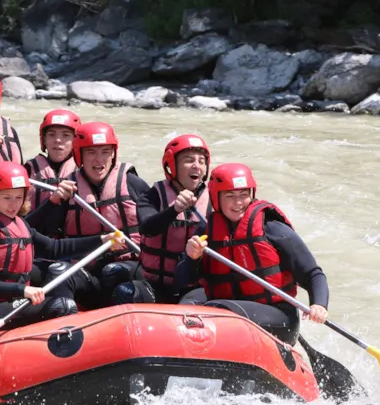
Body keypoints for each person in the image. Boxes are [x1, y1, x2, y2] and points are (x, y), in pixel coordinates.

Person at [0, 162, 123, 336]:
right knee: (61, 306)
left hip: (0, 303)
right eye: (7, 198)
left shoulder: (17, 223)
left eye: (18, 197)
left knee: (58, 273)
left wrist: (102, 240)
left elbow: (53, 248)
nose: (14, 204)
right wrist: (22, 290)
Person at [179, 163, 329, 345]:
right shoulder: (206, 231)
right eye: (230, 196)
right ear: (216, 198)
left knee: (217, 309)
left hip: (278, 316)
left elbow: (313, 274)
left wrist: (319, 304)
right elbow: (181, 281)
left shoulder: (273, 228)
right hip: (228, 311)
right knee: (187, 305)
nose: (238, 202)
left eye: (244, 195)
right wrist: (192, 258)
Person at [26, 121, 151, 306]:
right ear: (79, 155)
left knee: (113, 271)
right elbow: (32, 233)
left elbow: (155, 226)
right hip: (86, 270)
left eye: (105, 152)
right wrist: (52, 203)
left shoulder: (133, 183)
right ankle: (65, 323)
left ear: (113, 154)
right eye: (91, 152)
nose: (99, 160)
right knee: (58, 271)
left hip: (129, 265)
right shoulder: (69, 190)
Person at [137, 135, 211, 303]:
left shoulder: (215, 198)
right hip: (156, 284)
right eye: (189, 160)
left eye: (201, 161)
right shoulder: (152, 195)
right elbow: (147, 228)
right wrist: (174, 209)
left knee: (191, 304)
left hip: (194, 287)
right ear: (171, 165)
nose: (196, 166)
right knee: (126, 291)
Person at [24, 108, 81, 212]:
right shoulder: (29, 169)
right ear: (44, 139)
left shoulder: (84, 169)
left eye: (66, 135)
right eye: (51, 134)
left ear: (75, 141)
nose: (58, 140)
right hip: (37, 225)